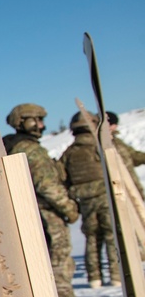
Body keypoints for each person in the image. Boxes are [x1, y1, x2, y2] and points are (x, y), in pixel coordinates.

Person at [2, 103, 107, 297]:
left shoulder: (15, 145)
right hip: (47, 214)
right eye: (37, 120)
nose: (41, 125)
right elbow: (47, 185)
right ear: (23, 121)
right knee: (60, 262)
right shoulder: (29, 149)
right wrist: (69, 208)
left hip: (35, 212)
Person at [60, 111, 117, 287]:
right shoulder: (101, 147)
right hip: (106, 197)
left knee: (91, 238)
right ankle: (116, 275)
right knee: (111, 235)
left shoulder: (69, 153)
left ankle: (94, 277)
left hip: (85, 201)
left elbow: (62, 177)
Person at [106, 110, 145, 200]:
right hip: (120, 192)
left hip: (132, 189)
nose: (116, 127)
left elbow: (134, 156)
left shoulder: (116, 142)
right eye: (114, 124)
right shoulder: (101, 144)